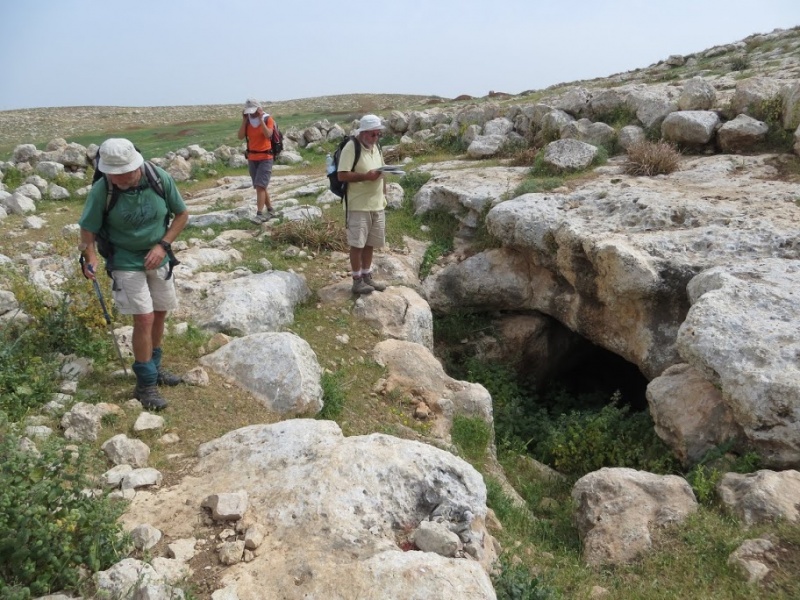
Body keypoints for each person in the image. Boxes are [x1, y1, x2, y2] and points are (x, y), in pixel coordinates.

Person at [78, 138, 188, 410]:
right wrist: (90, 256)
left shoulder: (158, 178)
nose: (119, 181)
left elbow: (182, 215)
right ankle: (146, 384)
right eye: (113, 176)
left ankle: (155, 366)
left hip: (158, 256)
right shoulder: (102, 190)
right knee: (144, 317)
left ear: (136, 166)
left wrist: (163, 246)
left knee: (161, 312)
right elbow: (87, 231)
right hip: (124, 259)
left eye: (124, 176)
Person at [336, 114, 389, 295]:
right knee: (357, 244)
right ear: (363, 133)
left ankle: (367, 276)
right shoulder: (352, 147)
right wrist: (366, 177)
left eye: (378, 134)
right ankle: (357, 280)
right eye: (373, 135)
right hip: (358, 205)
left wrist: (384, 192)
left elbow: (382, 170)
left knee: (370, 243)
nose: (376, 138)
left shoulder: (376, 147)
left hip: (376, 204)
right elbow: (342, 175)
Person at [237, 98, 276, 222]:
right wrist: (244, 121)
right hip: (252, 157)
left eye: (253, 111)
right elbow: (240, 136)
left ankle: (259, 214)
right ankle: (270, 210)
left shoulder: (267, 119)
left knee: (260, 186)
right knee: (261, 187)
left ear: (259, 109)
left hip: (265, 157)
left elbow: (268, 134)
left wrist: (260, 120)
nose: (251, 113)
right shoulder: (248, 121)